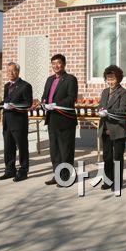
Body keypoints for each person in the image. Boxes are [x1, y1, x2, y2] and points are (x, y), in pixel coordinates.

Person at [40, 54, 78, 187]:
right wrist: (43, 103)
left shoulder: (70, 79)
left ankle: (66, 177)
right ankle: (57, 175)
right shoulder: (49, 79)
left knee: (65, 150)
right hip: (52, 119)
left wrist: (55, 104)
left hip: (65, 120)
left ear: (64, 64)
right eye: (53, 63)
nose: (56, 66)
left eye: (59, 63)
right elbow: (45, 96)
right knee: (54, 151)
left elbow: (71, 98)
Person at [0, 62, 33, 182]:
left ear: (18, 71)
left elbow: (27, 103)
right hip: (7, 121)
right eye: (8, 71)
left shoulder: (25, 86)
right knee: (8, 147)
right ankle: (9, 170)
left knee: (22, 147)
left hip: (19, 121)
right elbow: (6, 100)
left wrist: (14, 106)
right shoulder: (7, 85)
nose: (11, 73)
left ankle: (23, 171)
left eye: (13, 71)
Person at [96, 65, 126, 191]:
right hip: (105, 128)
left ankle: (117, 183)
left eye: (113, 79)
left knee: (117, 157)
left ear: (119, 79)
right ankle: (108, 180)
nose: (110, 82)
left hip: (118, 129)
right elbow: (100, 105)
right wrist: (99, 110)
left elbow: (123, 109)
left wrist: (108, 111)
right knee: (107, 157)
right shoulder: (105, 92)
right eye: (108, 79)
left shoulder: (124, 92)